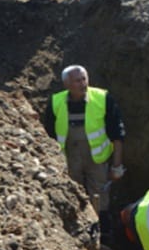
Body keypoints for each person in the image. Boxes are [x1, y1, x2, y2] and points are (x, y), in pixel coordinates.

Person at [43, 65, 126, 239]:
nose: (83, 84)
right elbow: (46, 136)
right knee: (74, 193)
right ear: (67, 85)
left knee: (100, 195)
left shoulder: (102, 99)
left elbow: (117, 135)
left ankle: (103, 232)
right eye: (77, 81)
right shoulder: (56, 102)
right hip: (69, 159)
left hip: (97, 159)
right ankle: (77, 231)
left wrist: (117, 166)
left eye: (84, 79)